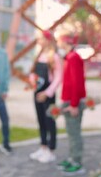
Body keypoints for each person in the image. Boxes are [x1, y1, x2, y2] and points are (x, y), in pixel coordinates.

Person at [55, 28, 86, 176]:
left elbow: (77, 83)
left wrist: (74, 105)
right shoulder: (69, 57)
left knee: (74, 134)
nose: (57, 42)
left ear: (64, 41)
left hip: (73, 103)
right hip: (69, 101)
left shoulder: (73, 57)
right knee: (71, 132)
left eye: (58, 39)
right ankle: (72, 157)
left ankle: (77, 163)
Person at [28, 30, 62, 163]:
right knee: (41, 120)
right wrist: (32, 82)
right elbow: (33, 72)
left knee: (50, 122)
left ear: (48, 40)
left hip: (48, 95)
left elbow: (58, 78)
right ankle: (43, 147)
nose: (39, 41)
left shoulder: (55, 57)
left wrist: (47, 93)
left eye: (41, 39)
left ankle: (51, 150)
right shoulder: (39, 55)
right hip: (37, 92)